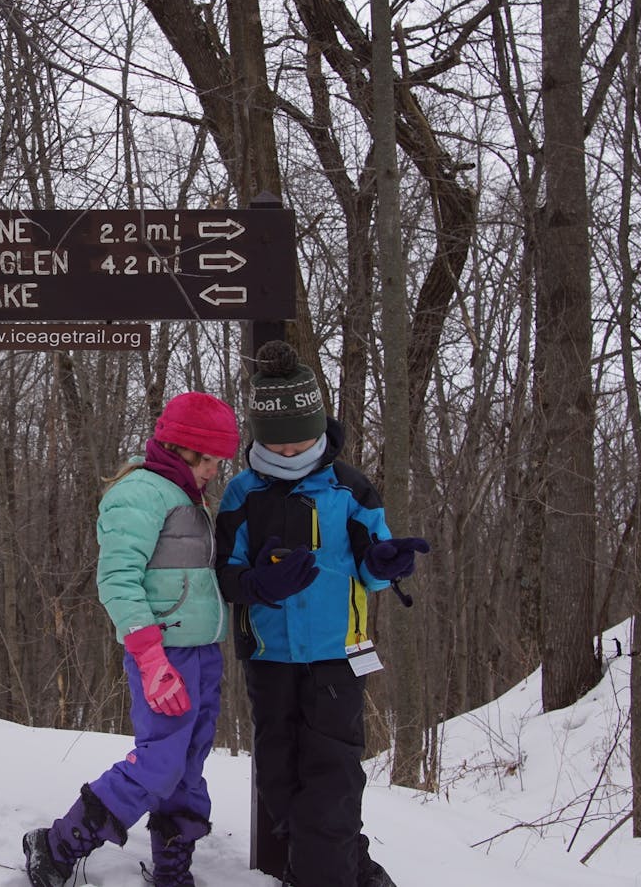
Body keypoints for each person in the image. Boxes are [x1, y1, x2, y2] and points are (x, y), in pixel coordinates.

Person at [22, 391, 310, 887]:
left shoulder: (185, 497)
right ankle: (57, 843)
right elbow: (117, 580)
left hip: (200, 651)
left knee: (188, 765)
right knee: (160, 762)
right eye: (209, 461)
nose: (213, 472)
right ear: (181, 449)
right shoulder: (140, 493)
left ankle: (172, 867)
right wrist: (150, 656)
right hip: (162, 653)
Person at [215, 339, 429, 887]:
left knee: (331, 777)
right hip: (270, 658)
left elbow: (374, 569)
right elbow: (226, 577)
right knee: (280, 781)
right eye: (278, 449)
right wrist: (259, 583)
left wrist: (387, 562)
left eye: (301, 445)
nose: (289, 457)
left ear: (320, 429)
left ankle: (320, 875)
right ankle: (347, 866)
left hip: (338, 656)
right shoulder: (242, 494)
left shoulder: (351, 488)